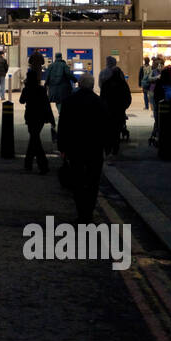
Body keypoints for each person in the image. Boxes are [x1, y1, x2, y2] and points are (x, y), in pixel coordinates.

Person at [58, 74, 112, 220]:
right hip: (95, 149)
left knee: (78, 181)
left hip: (75, 148)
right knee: (93, 182)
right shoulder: (99, 102)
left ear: (79, 84)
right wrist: (107, 148)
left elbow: (63, 126)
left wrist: (62, 147)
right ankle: (89, 212)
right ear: (93, 85)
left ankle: (81, 212)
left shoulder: (69, 101)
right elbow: (107, 127)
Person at [19, 59, 53, 174]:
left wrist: (25, 88)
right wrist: (51, 118)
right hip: (41, 117)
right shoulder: (41, 89)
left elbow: (21, 101)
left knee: (35, 140)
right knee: (34, 138)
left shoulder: (27, 89)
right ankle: (29, 164)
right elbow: (46, 103)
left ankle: (42, 165)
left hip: (30, 116)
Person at [99, 56, 132, 158]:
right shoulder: (122, 83)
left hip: (108, 110)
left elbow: (102, 94)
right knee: (116, 130)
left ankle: (108, 149)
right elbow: (128, 97)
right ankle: (115, 149)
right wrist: (124, 107)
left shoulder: (105, 81)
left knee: (108, 130)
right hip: (119, 110)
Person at [45, 53, 72, 140]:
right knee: (62, 102)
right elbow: (68, 75)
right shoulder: (64, 65)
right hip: (63, 89)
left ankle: (60, 115)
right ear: (61, 57)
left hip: (53, 89)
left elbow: (47, 76)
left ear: (55, 57)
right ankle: (62, 116)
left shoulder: (51, 66)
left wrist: (45, 86)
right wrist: (75, 79)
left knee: (58, 102)